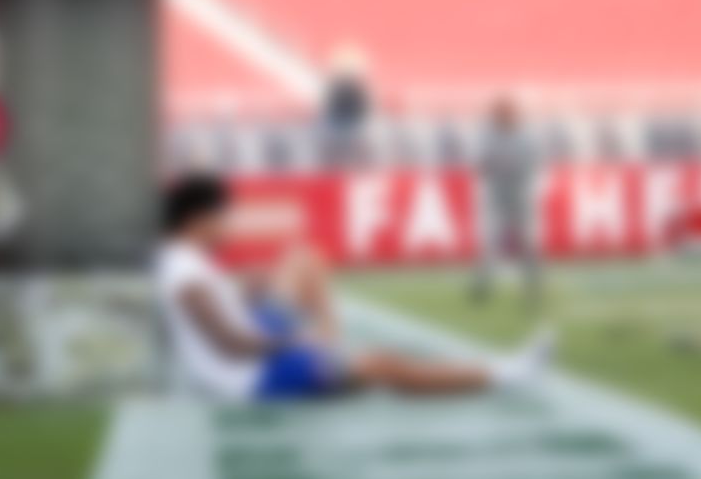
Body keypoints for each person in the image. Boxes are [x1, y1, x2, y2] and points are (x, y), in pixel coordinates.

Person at [154, 173, 555, 401]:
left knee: (302, 259)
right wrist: (294, 340)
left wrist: (248, 291)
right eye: (223, 215)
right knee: (383, 364)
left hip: (252, 350)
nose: (229, 224)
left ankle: (329, 345)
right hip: (252, 380)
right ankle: (507, 374)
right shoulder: (184, 273)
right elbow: (229, 344)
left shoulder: (182, 262)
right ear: (197, 219)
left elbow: (218, 315)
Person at [473, 98, 544, 310]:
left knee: (527, 239)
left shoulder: (524, 136)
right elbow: (481, 163)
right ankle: (483, 283)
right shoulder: (488, 135)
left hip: (518, 192)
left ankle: (532, 282)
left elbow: (532, 161)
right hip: (497, 192)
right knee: (492, 239)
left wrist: (511, 168)